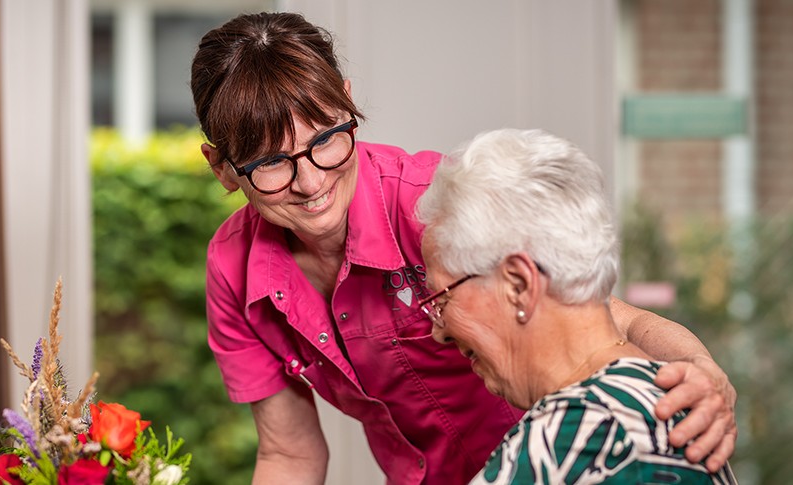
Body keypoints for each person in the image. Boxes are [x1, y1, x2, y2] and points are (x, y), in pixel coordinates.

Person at [191, 12, 736, 484]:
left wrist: (698, 368)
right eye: (270, 165)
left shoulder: (434, 204)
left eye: (326, 140)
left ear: (346, 103)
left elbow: (595, 312)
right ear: (223, 169)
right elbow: (290, 451)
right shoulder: (233, 268)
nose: (310, 183)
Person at [415, 128, 738, 484]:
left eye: (441, 298)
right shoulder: (657, 399)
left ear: (519, 285)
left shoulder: (585, 428)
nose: (438, 331)